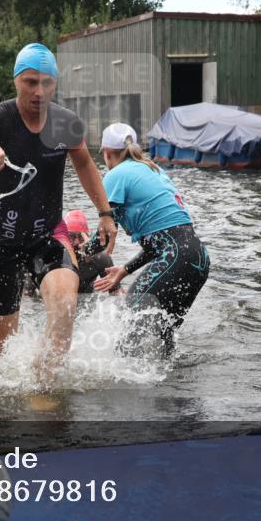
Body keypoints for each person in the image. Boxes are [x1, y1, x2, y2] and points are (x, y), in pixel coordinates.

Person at [0, 42, 117, 377]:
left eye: (46, 83)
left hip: (48, 234)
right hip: (1, 242)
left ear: (55, 84)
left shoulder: (65, 122)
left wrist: (105, 213)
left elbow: (86, 165)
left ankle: (43, 382)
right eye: (30, 82)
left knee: (65, 305)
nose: (39, 91)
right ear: (16, 80)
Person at [93, 123, 210, 356]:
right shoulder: (153, 169)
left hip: (177, 255)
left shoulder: (115, 176)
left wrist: (67, 254)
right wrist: (124, 270)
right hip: (198, 259)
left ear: (106, 151)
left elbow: (102, 239)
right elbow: (162, 241)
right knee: (165, 338)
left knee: (131, 319)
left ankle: (119, 380)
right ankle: (171, 390)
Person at [63, 210, 114, 294]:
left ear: (87, 237)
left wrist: (90, 251)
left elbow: (116, 292)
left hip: (86, 303)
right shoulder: (54, 257)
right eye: (71, 236)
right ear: (63, 237)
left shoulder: (100, 258)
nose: (76, 242)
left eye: (80, 237)